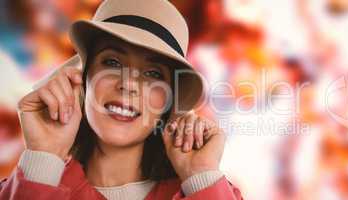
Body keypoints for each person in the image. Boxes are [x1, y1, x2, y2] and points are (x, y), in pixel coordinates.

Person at [0, 0, 243, 199]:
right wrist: (44, 157)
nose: (128, 84)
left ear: (168, 101)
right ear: (83, 79)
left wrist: (200, 175)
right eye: (112, 63)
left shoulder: (206, 191)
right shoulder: (27, 184)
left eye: (153, 73)